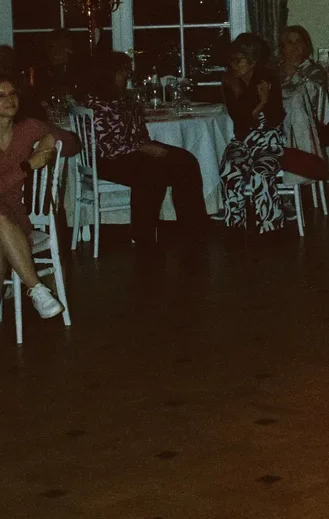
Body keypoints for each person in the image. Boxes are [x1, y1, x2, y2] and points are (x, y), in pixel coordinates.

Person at [85, 52, 207, 247]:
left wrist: (146, 145)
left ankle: (192, 228)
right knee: (151, 171)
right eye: (122, 71)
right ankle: (144, 235)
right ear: (108, 73)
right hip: (108, 160)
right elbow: (108, 145)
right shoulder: (96, 103)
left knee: (185, 160)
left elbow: (137, 131)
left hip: (134, 151)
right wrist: (144, 147)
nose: (127, 75)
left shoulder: (123, 98)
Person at [0, 73, 64, 318]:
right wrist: (27, 166)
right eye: (1, 96)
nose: (9, 100)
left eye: (13, 93)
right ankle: (36, 289)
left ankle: (35, 291)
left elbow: (71, 143)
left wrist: (51, 138)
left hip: (15, 215)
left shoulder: (27, 128)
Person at [220, 33, 285, 233]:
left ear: (253, 60)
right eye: (232, 60)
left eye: (238, 60)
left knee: (260, 174)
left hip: (269, 141)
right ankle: (235, 225)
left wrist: (263, 103)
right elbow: (239, 119)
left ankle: (270, 227)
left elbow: (274, 118)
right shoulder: (230, 81)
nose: (233, 65)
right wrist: (259, 104)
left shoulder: (267, 79)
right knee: (229, 169)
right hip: (243, 141)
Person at [278, 24, 329, 159]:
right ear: (283, 47)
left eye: (298, 42)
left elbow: (310, 94)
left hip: (307, 122)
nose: (294, 46)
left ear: (306, 46)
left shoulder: (315, 70)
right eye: (289, 42)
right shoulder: (275, 70)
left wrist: (293, 75)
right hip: (278, 121)